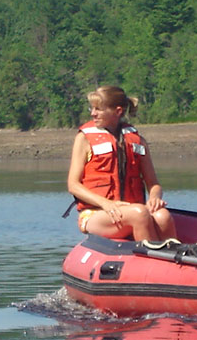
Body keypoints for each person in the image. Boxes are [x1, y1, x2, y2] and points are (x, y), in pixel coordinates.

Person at [67, 85, 176, 241]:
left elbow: (153, 184)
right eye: (92, 108)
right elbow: (73, 185)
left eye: (98, 109)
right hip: (96, 213)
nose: (93, 113)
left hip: (133, 210)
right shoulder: (84, 139)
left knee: (162, 216)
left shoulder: (138, 141)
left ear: (118, 111)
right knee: (139, 214)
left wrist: (154, 198)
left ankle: (174, 260)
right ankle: (150, 256)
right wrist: (106, 204)